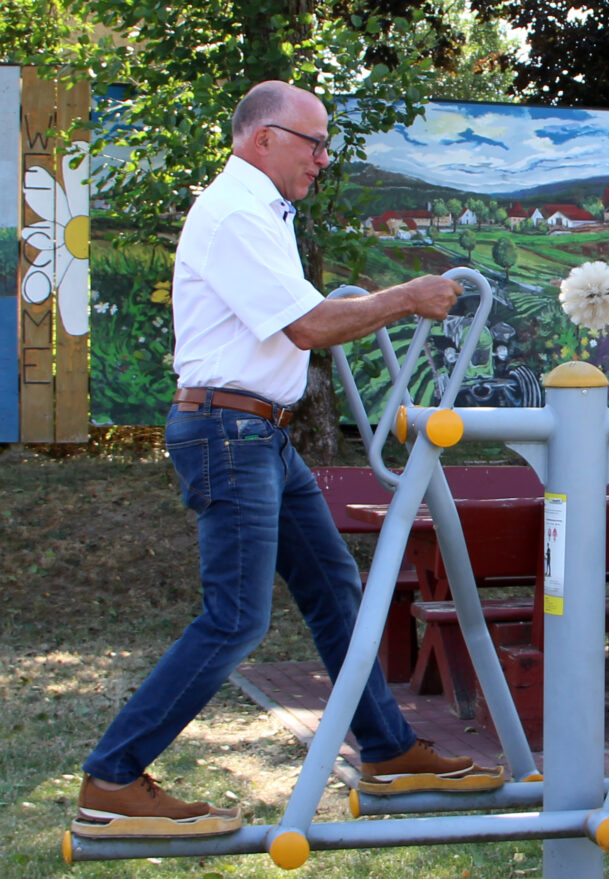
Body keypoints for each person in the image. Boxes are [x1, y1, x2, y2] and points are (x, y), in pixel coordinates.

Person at [72, 81, 503, 839]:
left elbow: (297, 324)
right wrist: (404, 297)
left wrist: (382, 302)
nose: (323, 160)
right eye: (314, 143)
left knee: (336, 585)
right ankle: (113, 774)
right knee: (236, 618)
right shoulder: (236, 212)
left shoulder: (262, 214)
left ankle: (388, 749)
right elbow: (306, 326)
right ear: (262, 137)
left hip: (256, 432)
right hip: (229, 433)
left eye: (326, 145)